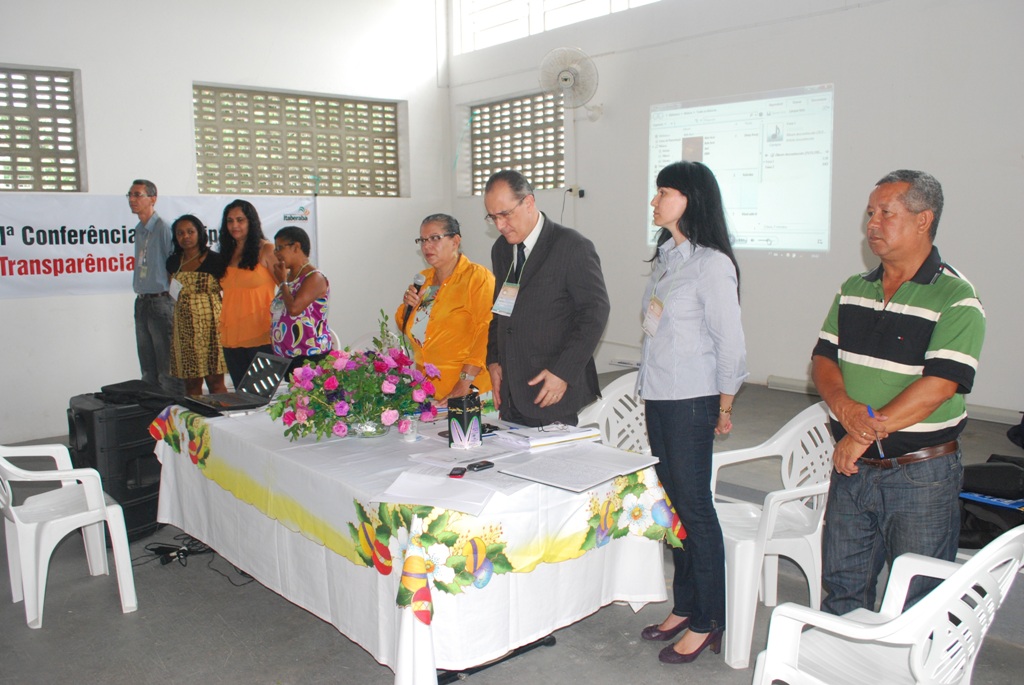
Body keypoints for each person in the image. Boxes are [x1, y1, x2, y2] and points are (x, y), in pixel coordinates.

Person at [812, 170, 986, 616]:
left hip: (920, 476)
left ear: (923, 220)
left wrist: (861, 433)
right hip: (853, 471)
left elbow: (938, 387)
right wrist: (845, 409)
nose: (872, 223)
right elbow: (824, 360)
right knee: (843, 591)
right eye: (870, 213)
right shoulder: (853, 289)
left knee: (921, 604)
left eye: (886, 213)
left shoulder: (956, 297)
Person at [636, 161, 747, 664]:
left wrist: (724, 402)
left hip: (692, 399)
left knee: (695, 509)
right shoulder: (665, 258)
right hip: (659, 394)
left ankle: (710, 619)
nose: (655, 201)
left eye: (665, 192)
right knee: (674, 506)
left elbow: (731, 343)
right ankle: (685, 605)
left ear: (692, 200)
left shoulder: (712, 264)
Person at [484, 170, 609, 426]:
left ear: (528, 202)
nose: (500, 225)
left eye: (505, 214)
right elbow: (500, 310)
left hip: (551, 389)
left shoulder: (571, 246)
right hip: (511, 393)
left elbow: (594, 313)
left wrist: (563, 372)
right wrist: (494, 360)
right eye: (493, 217)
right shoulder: (502, 249)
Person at [394, 214, 495, 403]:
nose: (426, 246)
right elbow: (410, 330)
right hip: (430, 393)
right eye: (422, 240)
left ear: (455, 241)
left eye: (434, 238)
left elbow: (487, 332)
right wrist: (408, 306)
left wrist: (464, 384)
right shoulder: (425, 281)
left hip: (471, 390)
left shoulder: (477, 278)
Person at [128, 179, 184, 395]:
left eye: (138, 195)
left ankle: (174, 416)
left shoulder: (164, 228)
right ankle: (152, 417)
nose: (132, 200)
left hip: (161, 301)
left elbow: (175, 266)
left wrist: (173, 301)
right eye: (130, 195)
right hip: (142, 301)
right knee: (147, 367)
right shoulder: (139, 230)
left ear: (153, 199)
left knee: (167, 367)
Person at [218, 199, 279, 387]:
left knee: (262, 399)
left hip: (261, 336)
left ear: (251, 222)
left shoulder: (267, 249)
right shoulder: (227, 252)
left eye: (240, 220)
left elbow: (287, 287)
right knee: (242, 397)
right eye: (229, 221)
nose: (234, 225)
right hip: (231, 337)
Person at [165, 215, 228, 396]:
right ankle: (197, 422)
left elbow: (228, 289)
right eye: (180, 233)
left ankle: (222, 419)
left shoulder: (217, 260)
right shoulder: (173, 262)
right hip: (184, 328)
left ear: (200, 233)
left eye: (190, 232)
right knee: (191, 384)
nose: (185, 236)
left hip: (211, 326)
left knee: (215, 382)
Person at [270, 225, 334, 376]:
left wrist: (283, 282)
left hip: (308, 357)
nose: (276, 253)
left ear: (296, 247)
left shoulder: (314, 277)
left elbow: (294, 309)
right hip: (285, 356)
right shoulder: (289, 277)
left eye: (279, 248)